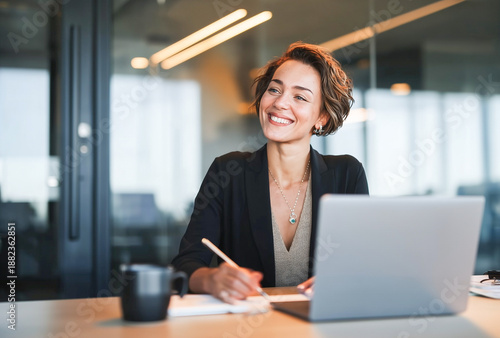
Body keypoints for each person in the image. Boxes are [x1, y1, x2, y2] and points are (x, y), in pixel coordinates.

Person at [171, 42, 369, 304]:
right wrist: (211, 279)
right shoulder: (227, 172)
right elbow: (186, 263)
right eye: (274, 89)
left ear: (321, 116)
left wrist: (343, 279)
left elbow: (364, 265)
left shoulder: (347, 174)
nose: (280, 103)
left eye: (300, 97)